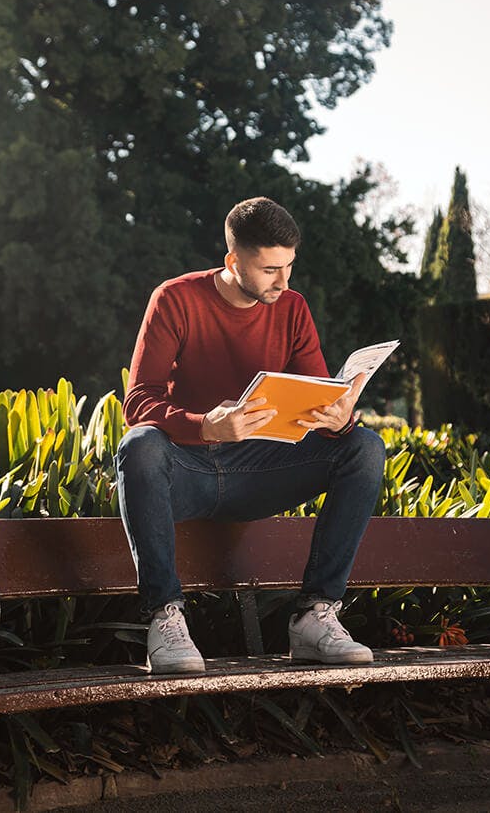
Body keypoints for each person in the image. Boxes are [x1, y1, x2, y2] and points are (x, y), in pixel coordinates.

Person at [117, 197, 386, 675]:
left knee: (363, 447)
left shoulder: (294, 308)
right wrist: (204, 424)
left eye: (288, 268)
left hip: (261, 472)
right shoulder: (175, 299)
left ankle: (314, 615)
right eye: (269, 270)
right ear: (233, 261)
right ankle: (164, 616)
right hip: (188, 473)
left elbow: (318, 396)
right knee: (139, 446)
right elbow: (138, 402)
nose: (283, 283)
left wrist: (338, 417)